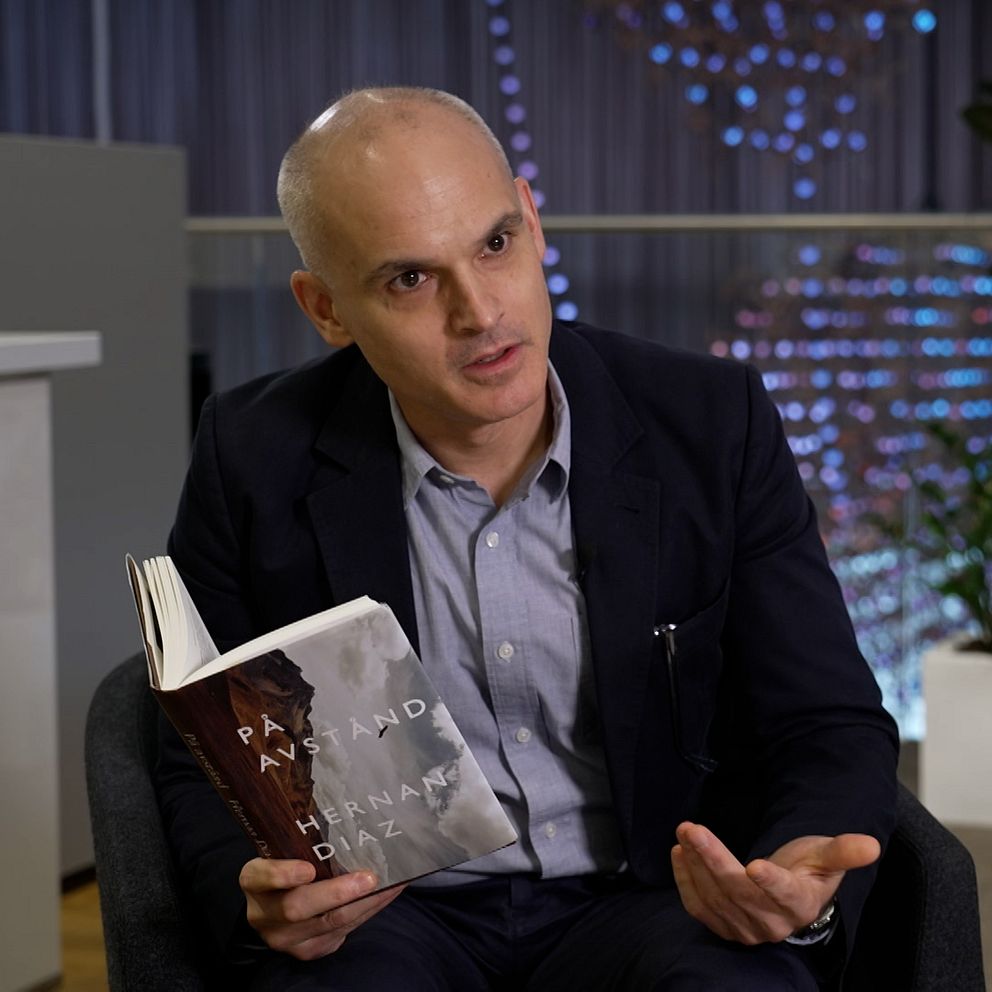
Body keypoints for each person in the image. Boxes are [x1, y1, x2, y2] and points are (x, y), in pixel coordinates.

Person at [156, 86, 899, 991]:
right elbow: (200, 756)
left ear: (532, 221)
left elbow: (825, 719)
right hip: (389, 915)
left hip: (660, 899)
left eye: (495, 244)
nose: (480, 313)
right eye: (410, 279)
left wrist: (796, 881)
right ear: (327, 309)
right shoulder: (250, 455)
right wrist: (256, 895)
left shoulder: (711, 422)